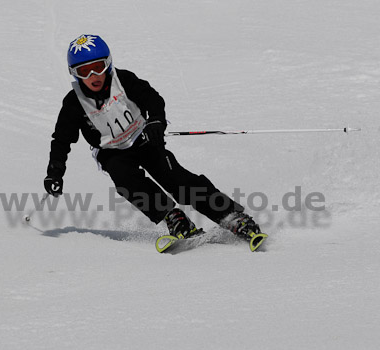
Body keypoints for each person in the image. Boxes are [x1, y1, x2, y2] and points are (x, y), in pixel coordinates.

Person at [44, 34, 261, 240]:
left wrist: (156, 121)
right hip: (112, 152)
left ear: (108, 63)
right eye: (84, 71)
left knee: (175, 177)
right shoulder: (74, 103)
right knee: (126, 180)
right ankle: (174, 218)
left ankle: (231, 216)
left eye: (98, 67)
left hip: (144, 139)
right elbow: (62, 140)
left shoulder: (124, 80)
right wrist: (55, 172)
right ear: (74, 73)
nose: (93, 76)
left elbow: (153, 99)